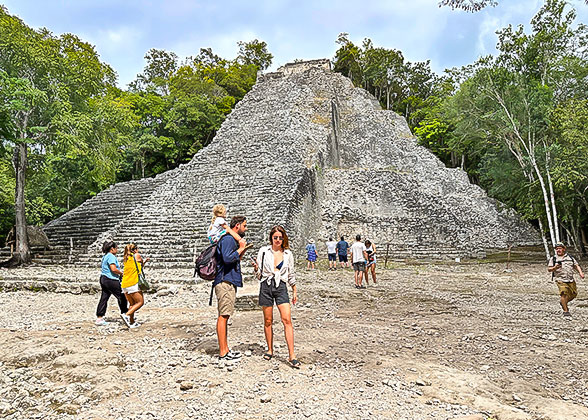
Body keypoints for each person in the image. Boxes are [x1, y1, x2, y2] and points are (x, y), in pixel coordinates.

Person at [253, 225, 300, 369]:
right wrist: (256, 269)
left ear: (283, 238)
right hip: (266, 286)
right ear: (271, 238)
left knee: (287, 320)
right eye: (275, 237)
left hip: (281, 286)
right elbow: (259, 274)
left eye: (280, 237)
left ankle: (292, 355)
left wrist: (294, 290)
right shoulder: (263, 251)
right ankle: (270, 349)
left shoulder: (288, 254)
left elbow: (291, 273)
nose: (278, 240)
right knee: (268, 320)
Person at [213, 215, 249, 360]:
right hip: (224, 281)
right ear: (237, 226)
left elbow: (233, 259)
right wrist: (241, 248)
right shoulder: (228, 239)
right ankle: (223, 352)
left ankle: (226, 349)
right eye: (244, 226)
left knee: (225, 315)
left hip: (228, 281)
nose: (246, 228)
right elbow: (228, 258)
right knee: (223, 316)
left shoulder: (230, 239)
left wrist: (242, 250)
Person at [95, 241, 128, 326]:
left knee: (104, 298)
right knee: (122, 296)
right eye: (116, 248)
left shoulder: (105, 256)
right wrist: (121, 273)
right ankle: (125, 314)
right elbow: (113, 269)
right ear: (112, 249)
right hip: (111, 279)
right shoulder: (111, 256)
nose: (117, 250)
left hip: (103, 278)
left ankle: (99, 317)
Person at [548, 242, 584, 317]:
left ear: (564, 249)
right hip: (560, 279)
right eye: (557, 249)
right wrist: (554, 268)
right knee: (563, 293)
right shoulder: (553, 258)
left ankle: (563, 302)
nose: (558, 250)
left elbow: (576, 265)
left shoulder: (570, 257)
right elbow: (549, 269)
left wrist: (581, 273)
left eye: (560, 248)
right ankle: (566, 311)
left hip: (570, 279)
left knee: (574, 294)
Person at [120, 243, 150, 328]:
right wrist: (144, 261)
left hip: (124, 284)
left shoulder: (126, 258)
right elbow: (140, 264)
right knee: (140, 302)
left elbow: (137, 266)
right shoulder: (137, 255)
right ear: (135, 249)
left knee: (132, 304)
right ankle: (127, 315)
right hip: (133, 282)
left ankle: (131, 322)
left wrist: (144, 262)